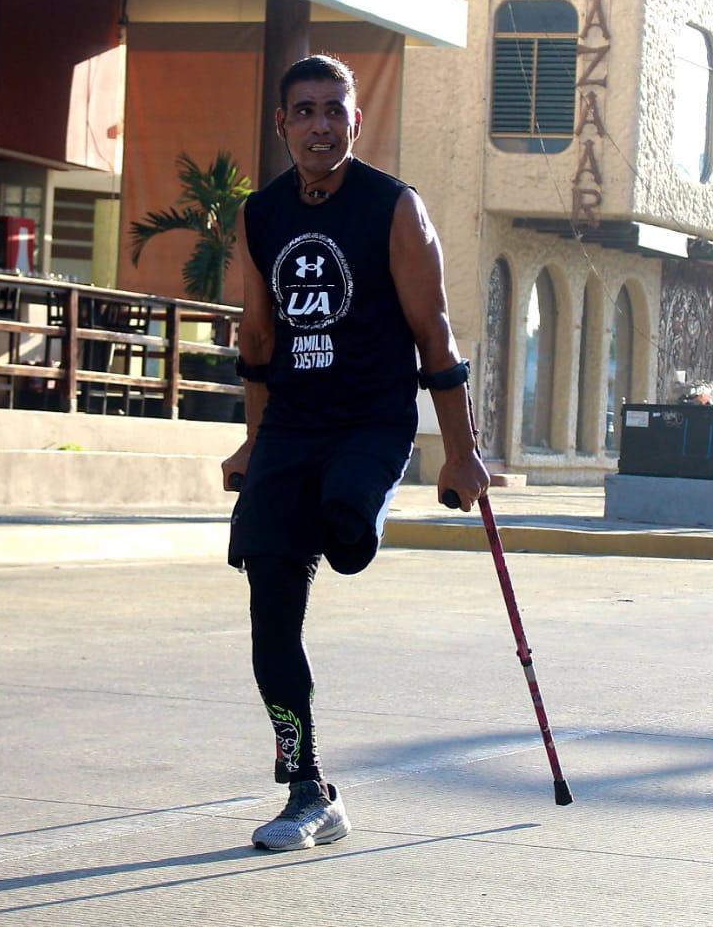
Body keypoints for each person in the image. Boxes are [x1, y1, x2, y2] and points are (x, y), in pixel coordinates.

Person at [220, 54, 490, 852]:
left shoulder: (394, 208)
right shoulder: (259, 214)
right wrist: (252, 440)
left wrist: (461, 452)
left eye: (334, 110)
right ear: (282, 125)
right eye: (304, 112)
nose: (320, 126)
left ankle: (354, 517)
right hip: (292, 429)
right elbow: (260, 338)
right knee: (270, 606)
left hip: (372, 421)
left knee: (345, 520)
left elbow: (433, 335)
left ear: (355, 121)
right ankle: (308, 789)